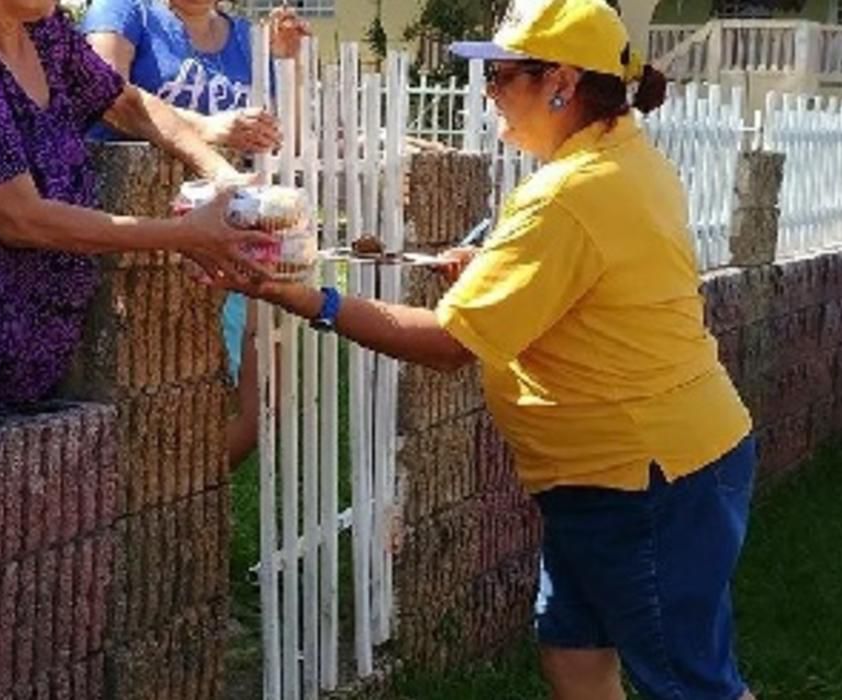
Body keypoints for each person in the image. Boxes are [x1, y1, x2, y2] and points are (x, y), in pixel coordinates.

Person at [221, 1, 758, 698]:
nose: (489, 93)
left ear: (561, 81)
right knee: (573, 652)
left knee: (690, 682)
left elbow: (449, 345)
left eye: (502, 76)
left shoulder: (568, 195)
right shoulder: (619, 155)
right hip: (636, 470)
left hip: (645, 477)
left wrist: (309, 299)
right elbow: (595, 282)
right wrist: (500, 269)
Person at [0, 0, 272, 435]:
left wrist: (223, 175)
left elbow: (125, 103)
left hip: (25, 376)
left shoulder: (41, 30)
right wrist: (183, 234)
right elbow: (20, 219)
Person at [83, 0, 310, 468]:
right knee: (150, 406)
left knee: (261, 407)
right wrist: (210, 129)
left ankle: (191, 497)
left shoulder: (248, 37)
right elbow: (103, 96)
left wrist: (288, 65)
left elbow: (290, 140)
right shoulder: (124, 11)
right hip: (144, 246)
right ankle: (150, 505)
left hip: (240, 236)